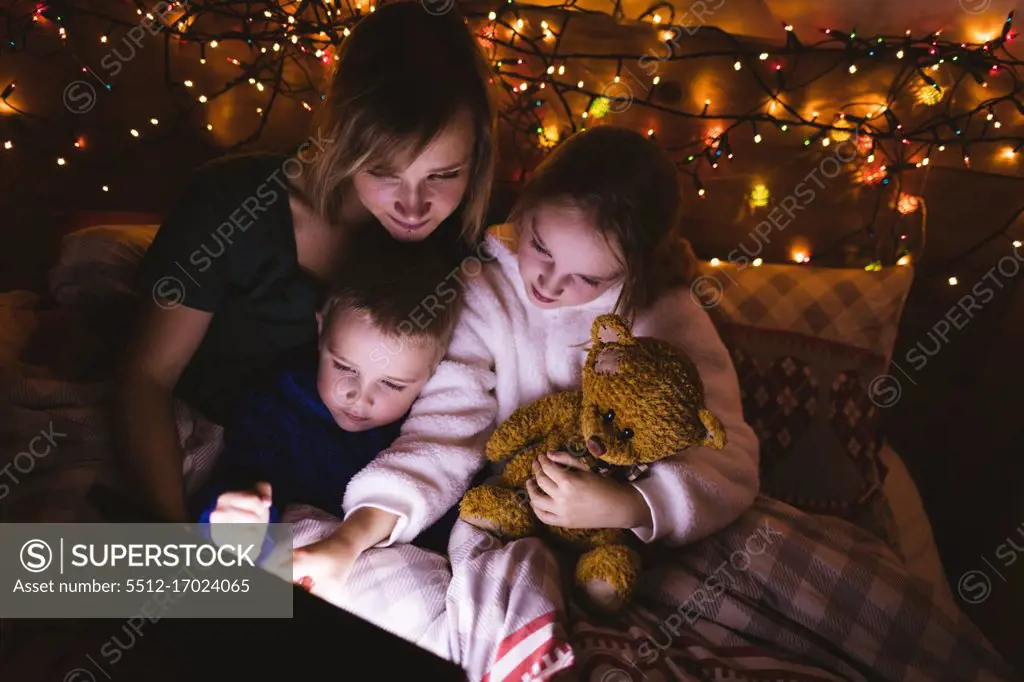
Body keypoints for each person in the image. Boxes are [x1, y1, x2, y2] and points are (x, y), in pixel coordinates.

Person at [290, 125, 761, 603]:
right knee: (279, 568)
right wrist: (352, 537)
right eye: (539, 247)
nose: (549, 285)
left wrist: (632, 506)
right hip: (501, 514)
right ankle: (217, 585)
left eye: (586, 278)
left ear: (632, 269)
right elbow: (446, 429)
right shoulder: (485, 291)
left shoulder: (664, 312)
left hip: (622, 540)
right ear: (524, 209)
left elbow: (726, 453)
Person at [113, 2, 496, 522]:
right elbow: (146, 379)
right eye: (383, 171)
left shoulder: (464, 250)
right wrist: (173, 536)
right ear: (342, 133)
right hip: (219, 462)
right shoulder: (232, 205)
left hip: (351, 497)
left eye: (444, 174)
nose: (414, 206)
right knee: (52, 571)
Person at [189, 228, 469, 557]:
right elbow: (242, 470)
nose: (358, 397)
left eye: (392, 384)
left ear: (432, 373)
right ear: (320, 330)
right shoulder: (282, 400)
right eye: (345, 367)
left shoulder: (430, 428)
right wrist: (238, 508)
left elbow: (445, 507)